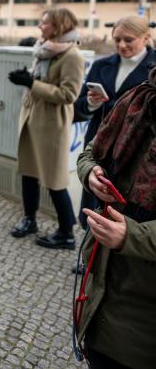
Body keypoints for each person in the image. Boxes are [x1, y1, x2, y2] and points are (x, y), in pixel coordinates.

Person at [76, 70, 156, 369]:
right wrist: (91, 173)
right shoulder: (138, 98)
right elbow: (90, 152)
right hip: (102, 284)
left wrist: (131, 236)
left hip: (144, 313)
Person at [8, 7, 84, 249]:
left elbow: (69, 94)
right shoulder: (44, 49)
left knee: (54, 180)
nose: (40, 26)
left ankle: (67, 233)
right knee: (28, 172)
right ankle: (29, 219)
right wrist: (27, 78)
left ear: (59, 26)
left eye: (45, 23)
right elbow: (40, 79)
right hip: (32, 118)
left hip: (52, 124)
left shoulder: (72, 55)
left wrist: (32, 83)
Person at [74, 16, 155, 231]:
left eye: (128, 40)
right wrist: (90, 103)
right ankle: (88, 258)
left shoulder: (153, 69)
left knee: (123, 216)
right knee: (93, 208)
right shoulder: (102, 65)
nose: (121, 45)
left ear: (146, 37)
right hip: (98, 147)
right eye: (117, 39)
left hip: (134, 155)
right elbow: (78, 106)